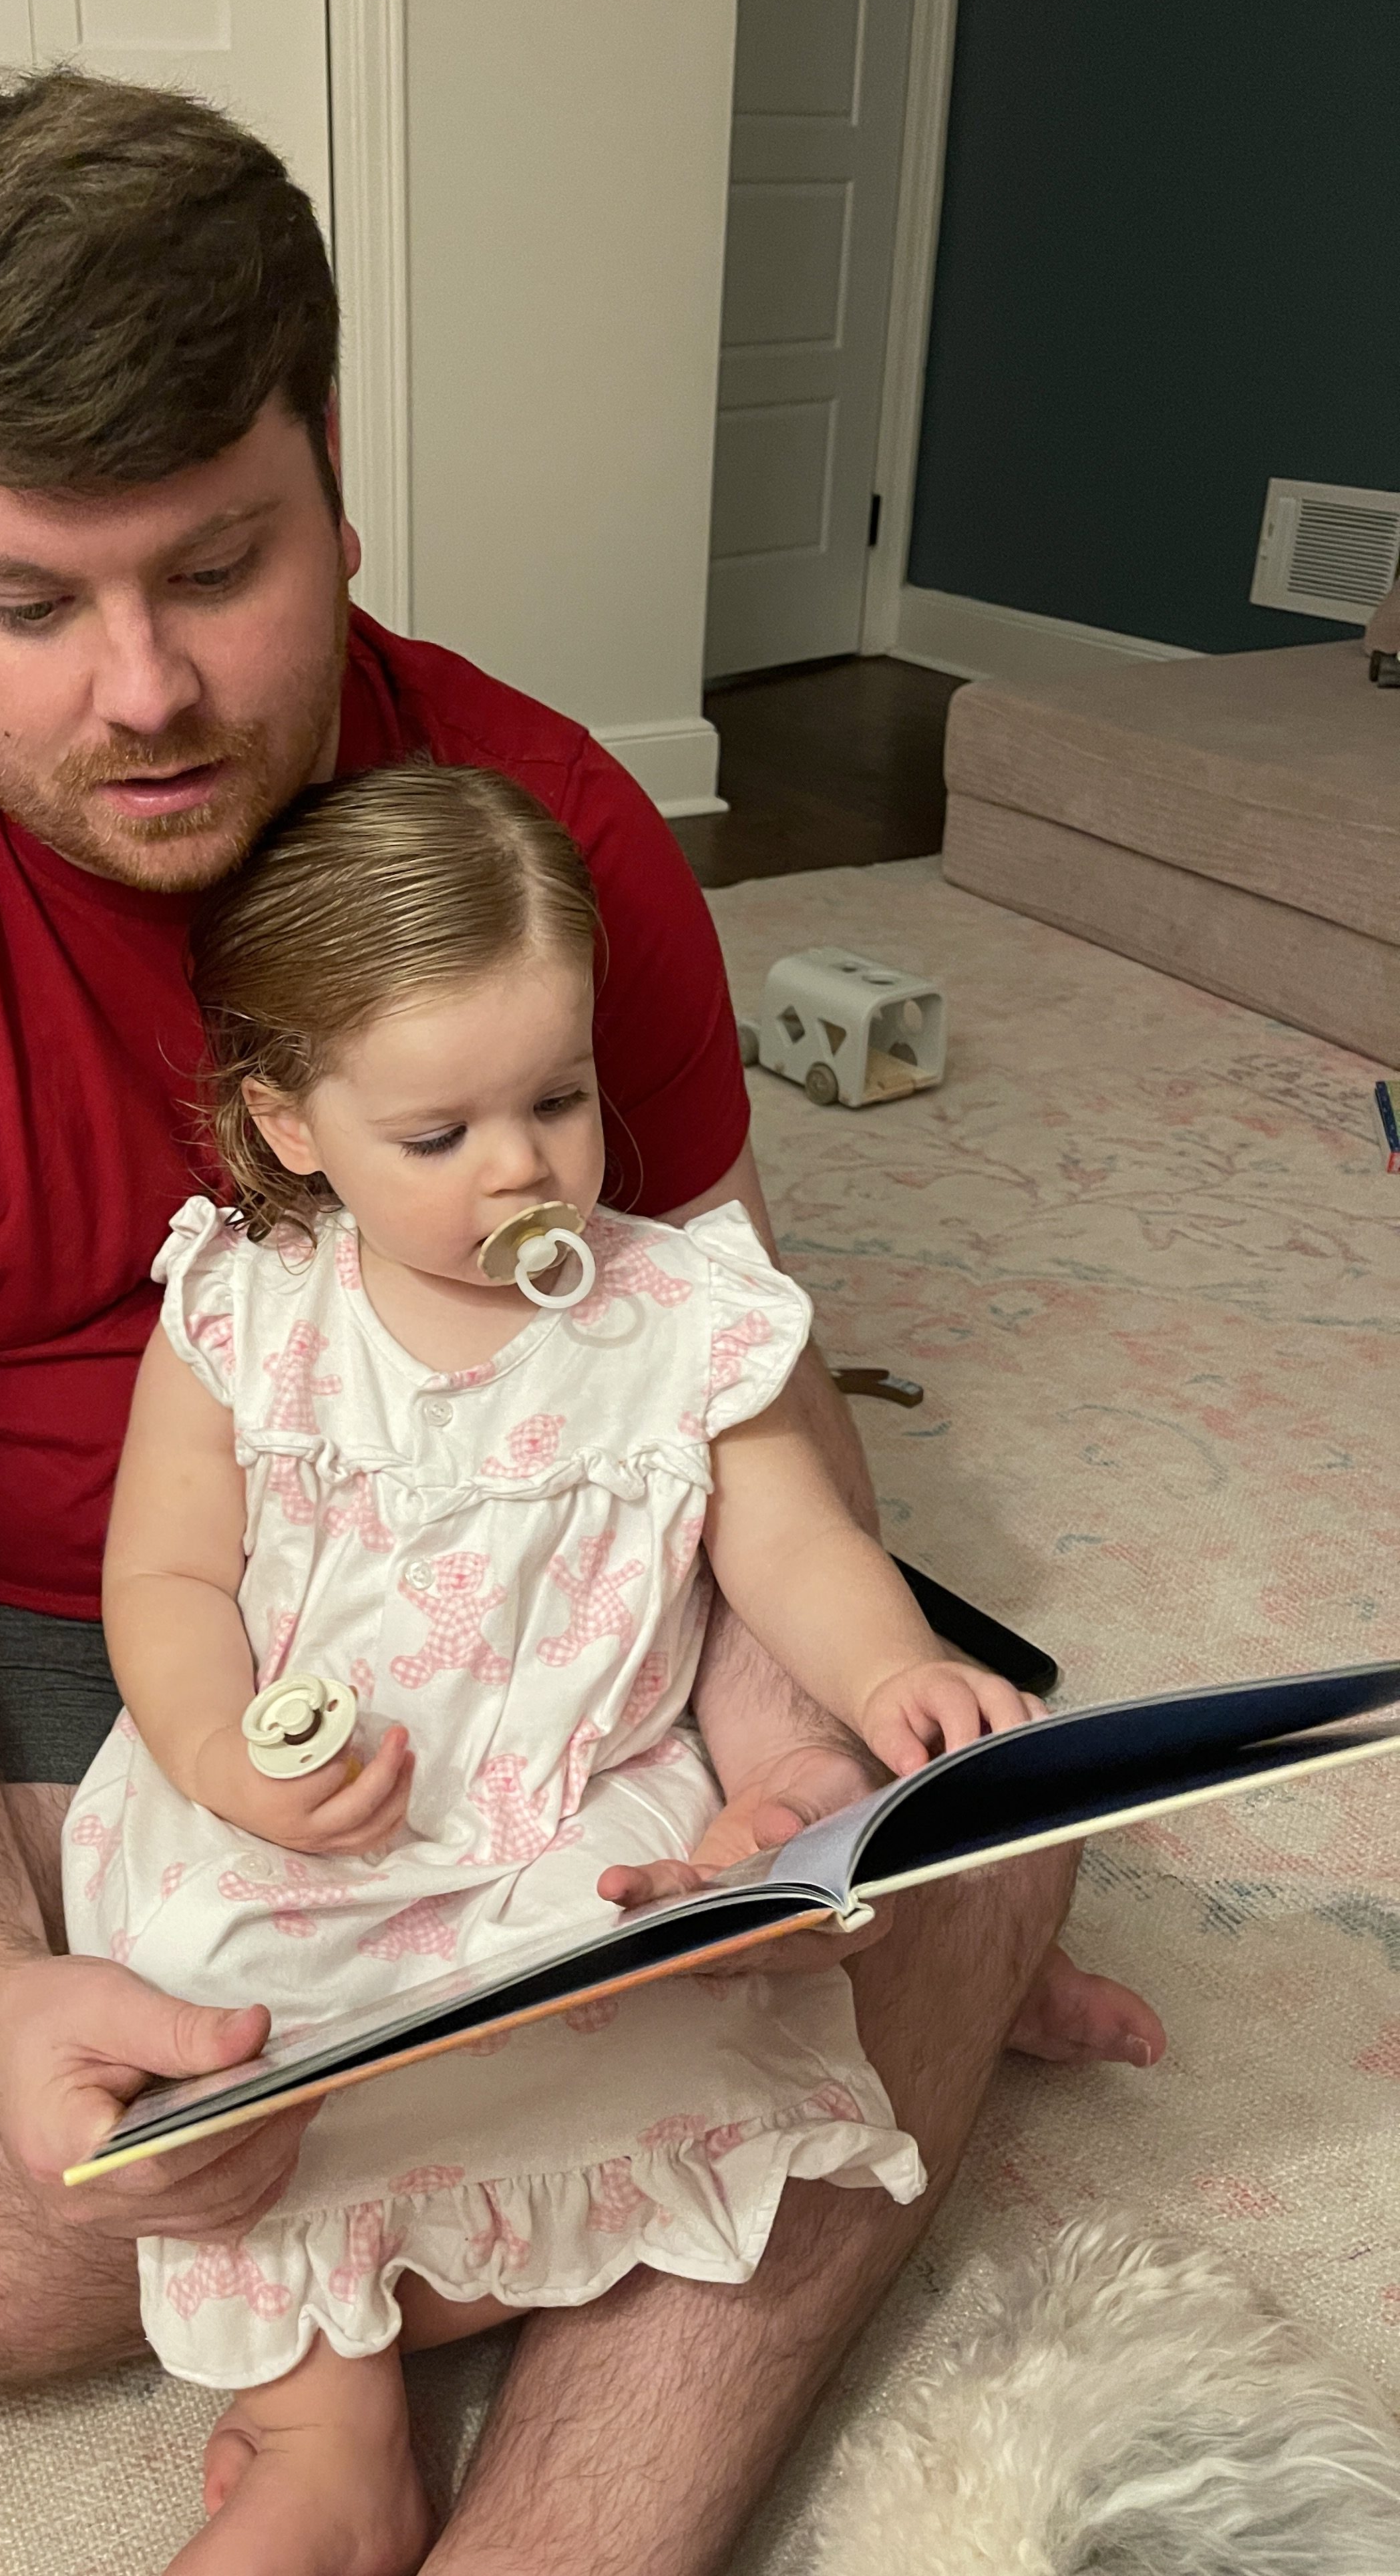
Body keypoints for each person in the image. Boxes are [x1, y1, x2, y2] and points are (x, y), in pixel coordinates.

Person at [0, 65, 1160, 2573]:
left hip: (551, 1544)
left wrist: (793, 1772)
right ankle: (589, 2178)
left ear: (334, 480)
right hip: (76, 1629)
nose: (141, 692)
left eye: (218, 567)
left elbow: (721, 1358)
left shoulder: (556, 835)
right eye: (24, 604)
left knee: (905, 1863)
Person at [67, 761, 1061, 2572]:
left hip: (574, 1794)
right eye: (438, 1135)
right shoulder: (250, 1309)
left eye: (558, 1099)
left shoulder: (678, 1314)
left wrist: (890, 1669)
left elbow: (791, 1544)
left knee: (669, 1979)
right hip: (316, 1812)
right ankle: (327, 2433)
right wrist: (214, 1754)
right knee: (205, 2003)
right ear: (292, 1126)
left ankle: (516, 2247)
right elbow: (168, 1569)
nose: (522, 1166)